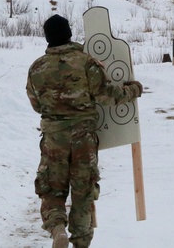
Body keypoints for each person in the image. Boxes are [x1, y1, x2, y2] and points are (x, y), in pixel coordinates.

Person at [26, 14, 144, 248]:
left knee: (51, 188)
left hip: (53, 139)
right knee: (83, 192)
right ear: (69, 34)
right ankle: (81, 242)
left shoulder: (36, 68)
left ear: (47, 37)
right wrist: (133, 90)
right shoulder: (86, 62)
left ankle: (57, 227)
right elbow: (107, 95)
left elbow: (36, 104)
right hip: (84, 139)